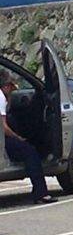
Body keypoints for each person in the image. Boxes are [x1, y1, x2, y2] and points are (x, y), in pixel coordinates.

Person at [0, 69, 55, 204]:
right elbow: (4, 127)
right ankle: (41, 192)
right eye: (12, 87)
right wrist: (18, 138)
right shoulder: (0, 97)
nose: (13, 90)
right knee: (30, 152)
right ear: (6, 86)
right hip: (2, 140)